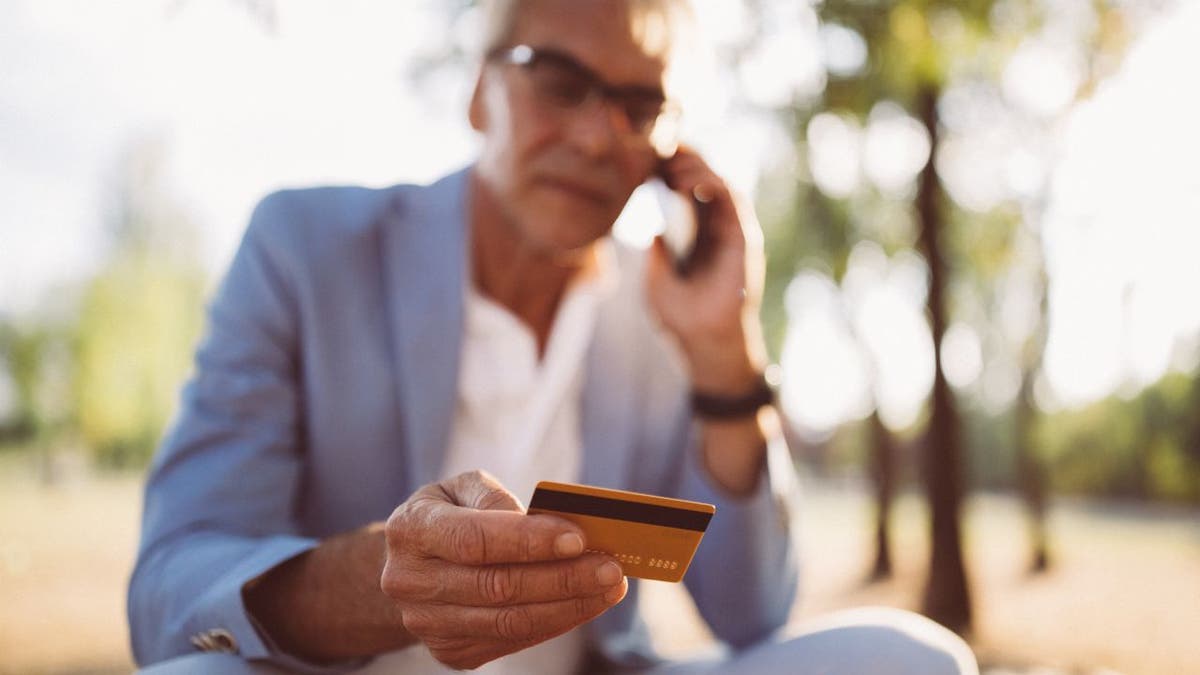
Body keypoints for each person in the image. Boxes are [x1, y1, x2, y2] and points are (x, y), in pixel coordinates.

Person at [129, 1, 979, 673]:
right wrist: (385, 583)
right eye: (558, 80)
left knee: (918, 660)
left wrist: (726, 355)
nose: (595, 136)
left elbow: (754, 614)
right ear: (477, 91)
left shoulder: (662, 313)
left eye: (639, 104)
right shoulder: (305, 248)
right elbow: (172, 587)